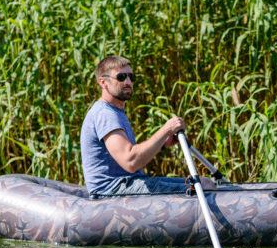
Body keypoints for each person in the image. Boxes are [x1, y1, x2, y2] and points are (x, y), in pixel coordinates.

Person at [80, 55, 213, 197]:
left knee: (204, 183)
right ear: (103, 82)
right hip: (109, 191)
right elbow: (130, 161)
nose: (128, 82)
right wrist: (167, 129)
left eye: (131, 77)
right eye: (121, 77)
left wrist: (162, 143)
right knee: (199, 188)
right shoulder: (104, 114)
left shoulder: (115, 111)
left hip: (127, 183)